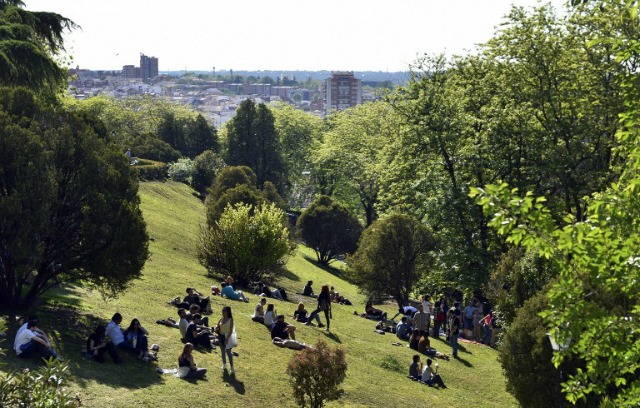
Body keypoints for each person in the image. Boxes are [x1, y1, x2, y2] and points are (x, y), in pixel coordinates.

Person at [215, 306, 235, 373]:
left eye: (224, 311)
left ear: (228, 312)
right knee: (222, 351)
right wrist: (216, 328)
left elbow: (231, 331)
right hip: (220, 336)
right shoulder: (221, 319)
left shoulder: (230, 320)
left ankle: (232, 367)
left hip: (227, 337)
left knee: (229, 353)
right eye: (222, 310)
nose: (223, 312)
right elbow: (217, 326)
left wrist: (227, 339)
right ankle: (224, 364)